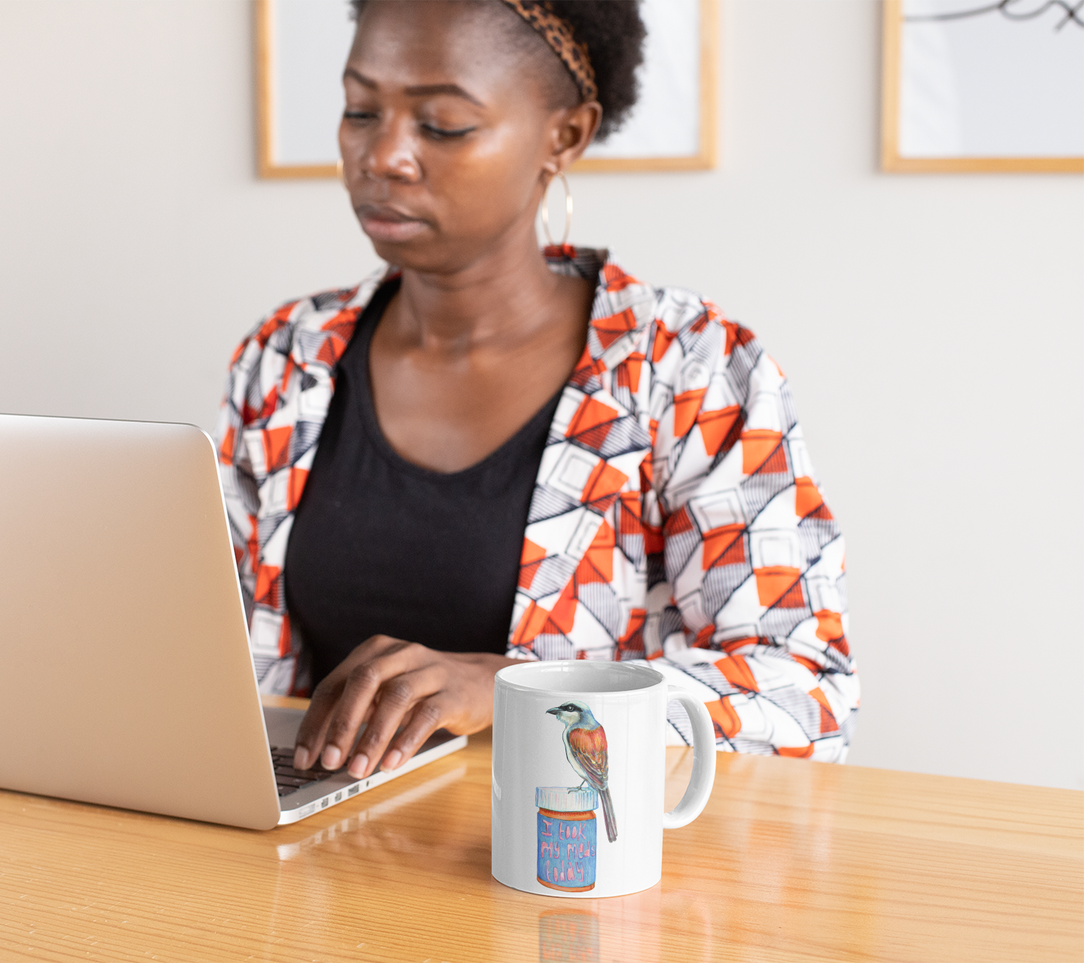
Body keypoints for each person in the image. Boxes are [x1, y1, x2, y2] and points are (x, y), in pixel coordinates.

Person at [218, 0, 858, 783]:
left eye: (442, 123)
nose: (382, 154)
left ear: (564, 136)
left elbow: (807, 699)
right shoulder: (286, 359)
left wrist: (517, 689)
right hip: (305, 860)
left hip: (568, 870)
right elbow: (212, 651)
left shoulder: (687, 368)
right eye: (360, 110)